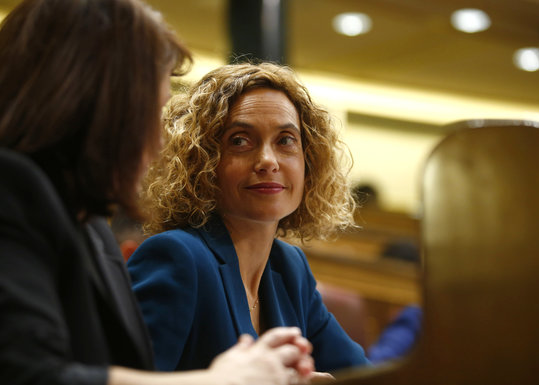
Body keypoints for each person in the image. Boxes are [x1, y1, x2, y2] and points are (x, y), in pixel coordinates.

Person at [0, 1, 314, 385]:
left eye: (286, 141)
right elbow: (27, 375)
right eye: (152, 109)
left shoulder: (93, 225)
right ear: (98, 104)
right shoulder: (10, 188)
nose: (158, 139)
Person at [127, 62, 371, 378]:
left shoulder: (289, 265)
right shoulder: (177, 256)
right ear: (202, 160)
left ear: (308, 163)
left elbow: (364, 375)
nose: (268, 161)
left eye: (285, 140)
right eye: (240, 140)